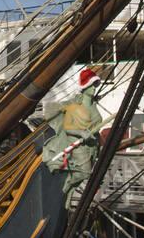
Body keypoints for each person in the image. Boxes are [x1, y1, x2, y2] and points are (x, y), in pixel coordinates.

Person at [41, 68, 105, 206]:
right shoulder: (74, 107)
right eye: (92, 85)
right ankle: (68, 186)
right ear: (85, 87)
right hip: (78, 145)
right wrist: (81, 133)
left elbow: (97, 125)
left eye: (95, 85)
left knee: (86, 173)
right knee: (85, 173)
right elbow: (68, 127)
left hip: (91, 146)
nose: (94, 88)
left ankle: (70, 192)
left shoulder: (94, 108)